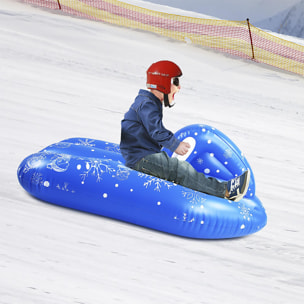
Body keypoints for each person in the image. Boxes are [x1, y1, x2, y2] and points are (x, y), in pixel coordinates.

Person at [120, 60, 250, 202]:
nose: (179, 87)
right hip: (141, 159)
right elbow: (156, 131)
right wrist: (176, 144)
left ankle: (220, 187)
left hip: (142, 155)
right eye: (175, 82)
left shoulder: (147, 102)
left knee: (177, 166)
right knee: (179, 169)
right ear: (162, 82)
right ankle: (226, 191)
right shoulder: (147, 105)